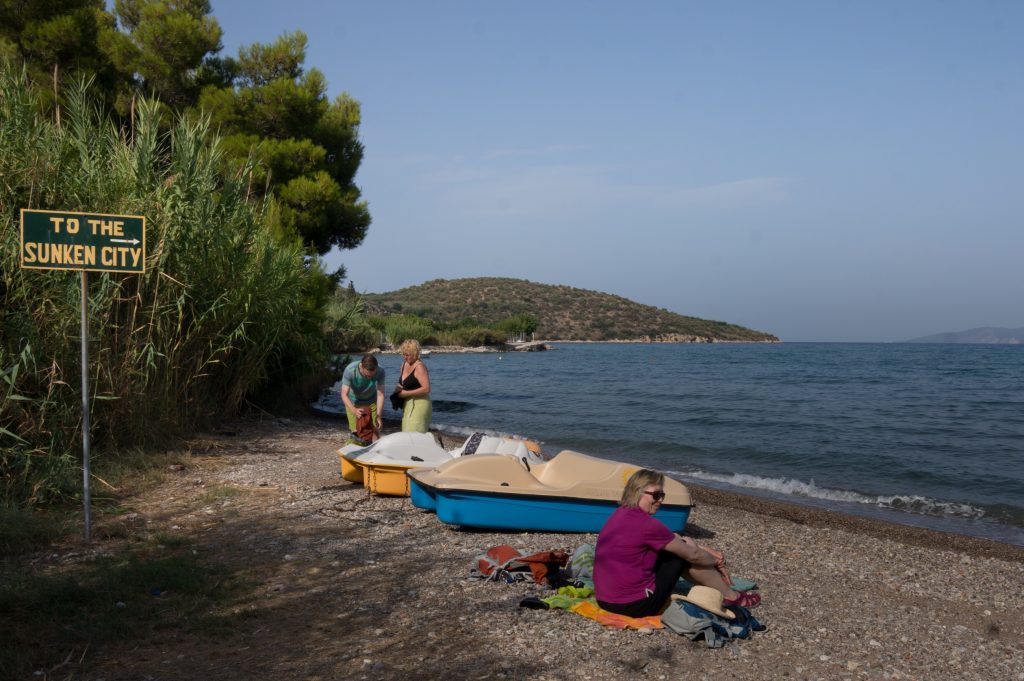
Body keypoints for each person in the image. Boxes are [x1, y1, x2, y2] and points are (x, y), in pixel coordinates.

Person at [593, 468, 760, 617]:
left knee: (676, 549)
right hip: (635, 606)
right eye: (656, 495)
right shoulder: (646, 525)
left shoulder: (619, 514)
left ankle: (725, 592)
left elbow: (669, 539)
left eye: (662, 495)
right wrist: (717, 561)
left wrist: (706, 550)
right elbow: (692, 554)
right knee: (680, 556)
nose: (660, 501)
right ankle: (732, 597)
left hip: (605, 600)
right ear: (637, 492)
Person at [340, 354, 385, 442]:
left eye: (372, 376)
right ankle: (356, 452)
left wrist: (378, 416)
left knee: (375, 429)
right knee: (357, 432)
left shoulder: (380, 371)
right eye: (367, 375)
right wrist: (353, 410)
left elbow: (380, 394)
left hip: (371, 401)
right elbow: (344, 394)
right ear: (361, 366)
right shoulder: (350, 370)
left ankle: (374, 452)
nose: (369, 378)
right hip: (353, 402)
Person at [393, 339, 432, 432]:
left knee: (414, 434)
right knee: (406, 432)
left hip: (420, 403)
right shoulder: (403, 365)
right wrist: (397, 389)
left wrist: (406, 393)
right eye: (403, 354)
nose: (404, 357)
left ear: (414, 354)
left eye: (407, 355)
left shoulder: (419, 366)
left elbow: (426, 388)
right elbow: (404, 383)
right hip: (408, 404)